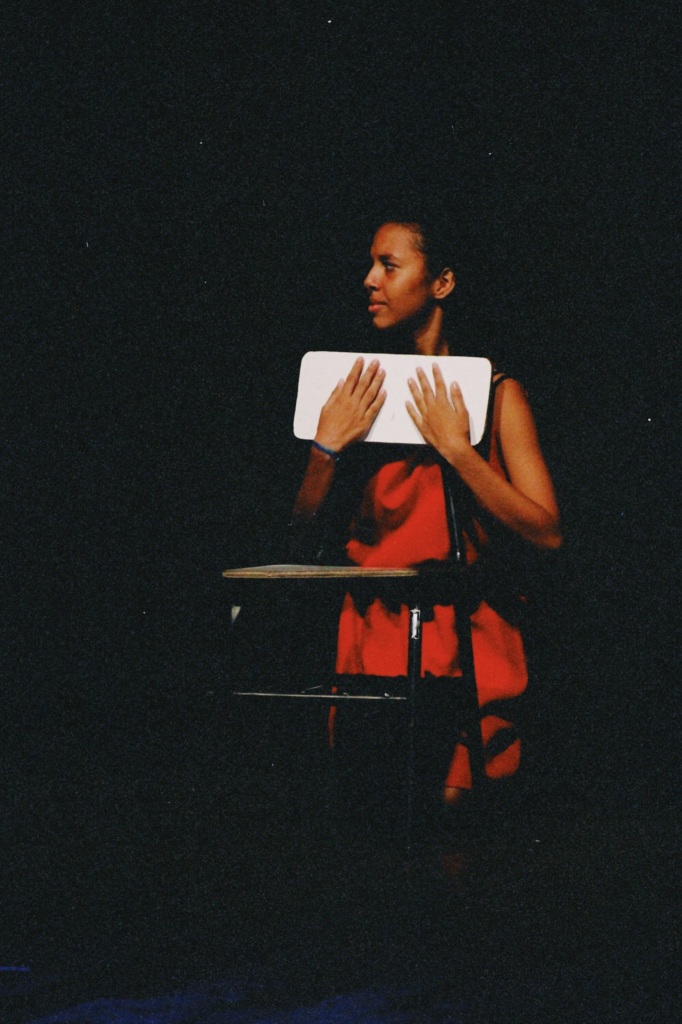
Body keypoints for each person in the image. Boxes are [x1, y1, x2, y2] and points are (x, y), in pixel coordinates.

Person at [290, 218, 562, 805]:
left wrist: (458, 451)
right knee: (372, 819)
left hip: (464, 635)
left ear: (441, 283)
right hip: (372, 637)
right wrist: (324, 450)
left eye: (389, 266)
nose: (370, 280)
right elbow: (300, 536)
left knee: (451, 817)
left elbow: (547, 533)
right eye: (371, 264)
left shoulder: (496, 392)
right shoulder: (355, 393)